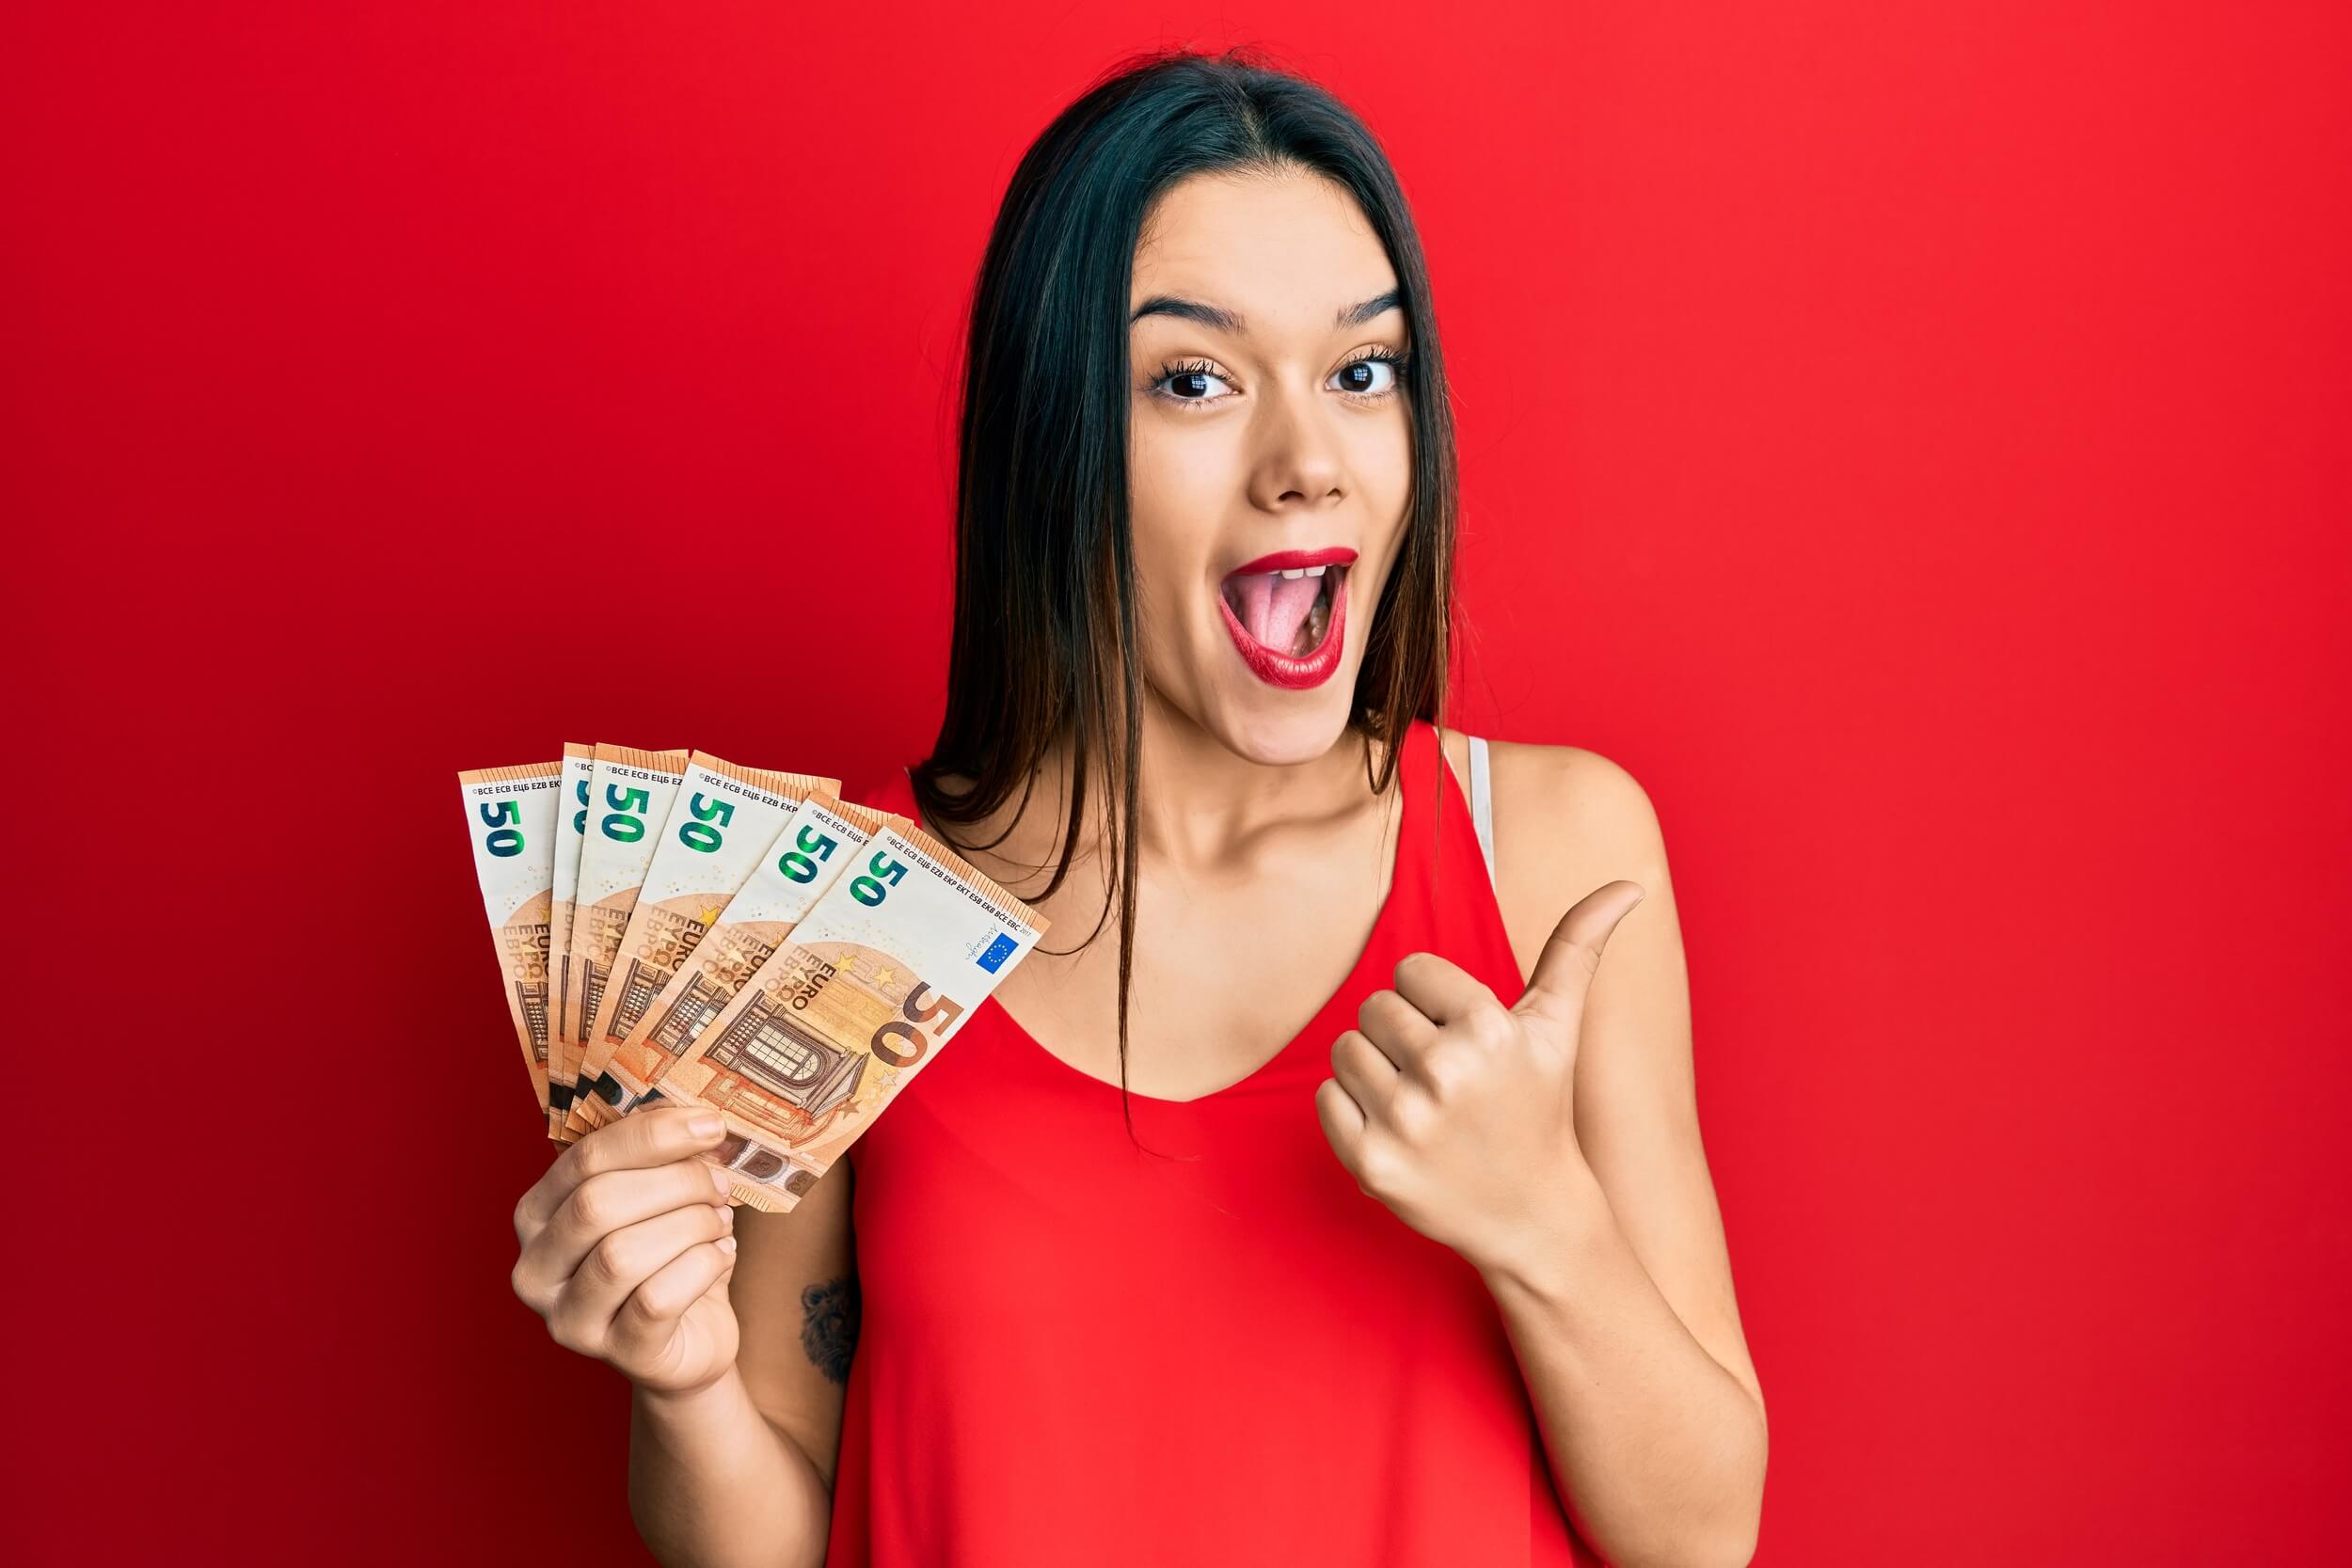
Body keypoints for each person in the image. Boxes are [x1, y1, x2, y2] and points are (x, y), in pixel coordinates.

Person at [509, 46, 1766, 1568]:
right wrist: (686, 1380)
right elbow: (760, 1545)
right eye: (1194, 381)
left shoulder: (1558, 852)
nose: (1309, 463)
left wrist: (1542, 1222)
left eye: (1363, 373)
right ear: (1057, 448)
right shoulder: (843, 901)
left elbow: (1702, 1538)